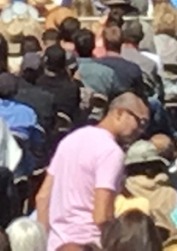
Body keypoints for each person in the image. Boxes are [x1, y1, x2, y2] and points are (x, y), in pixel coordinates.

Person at [36, 92, 150, 251]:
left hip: (57, 244)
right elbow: (102, 215)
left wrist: (46, 241)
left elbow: (42, 198)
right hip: (89, 242)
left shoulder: (70, 140)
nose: (141, 130)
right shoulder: (111, 151)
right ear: (119, 113)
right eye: (141, 122)